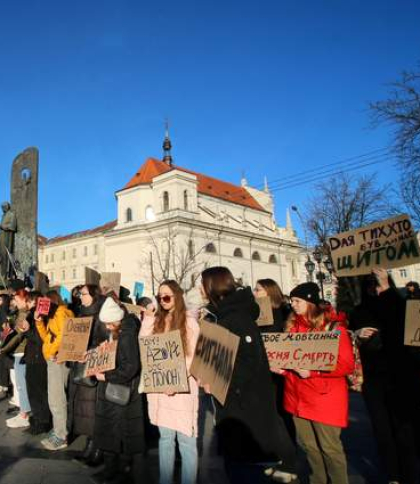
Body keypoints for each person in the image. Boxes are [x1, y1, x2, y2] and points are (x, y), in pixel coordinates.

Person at [200, 267, 298, 484]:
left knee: (243, 470)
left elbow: (248, 363)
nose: (200, 289)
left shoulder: (237, 318)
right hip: (230, 406)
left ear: (213, 287)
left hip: (244, 408)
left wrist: (218, 381)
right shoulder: (219, 316)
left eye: (203, 284)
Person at [277, 282, 354, 484]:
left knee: (330, 449)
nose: (292, 304)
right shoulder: (292, 326)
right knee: (309, 447)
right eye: (292, 300)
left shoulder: (333, 327)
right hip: (297, 397)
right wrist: (283, 368)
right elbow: (291, 359)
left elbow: (346, 365)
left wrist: (313, 371)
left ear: (310, 301)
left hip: (323, 399)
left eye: (297, 300)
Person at [350, 268, 420, 484]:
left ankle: (409, 475)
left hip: (401, 375)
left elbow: (404, 321)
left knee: (404, 431)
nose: (375, 288)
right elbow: (349, 335)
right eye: (371, 284)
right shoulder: (360, 310)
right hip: (373, 379)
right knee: (382, 432)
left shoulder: (402, 304)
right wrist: (356, 334)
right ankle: (392, 475)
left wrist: (387, 289)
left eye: (378, 283)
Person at [140, 280, 200, 484]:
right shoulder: (157, 321)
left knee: (186, 441)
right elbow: (145, 346)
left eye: (166, 296)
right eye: (159, 297)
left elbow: (191, 357)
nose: (163, 301)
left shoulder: (189, 322)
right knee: (165, 439)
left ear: (177, 296)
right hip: (160, 390)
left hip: (181, 390)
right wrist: (148, 319)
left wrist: (175, 381)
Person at [93, 297, 146, 484]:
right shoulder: (121, 331)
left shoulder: (127, 334)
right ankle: (114, 470)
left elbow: (130, 367)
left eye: (109, 323)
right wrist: (104, 350)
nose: (107, 327)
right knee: (115, 431)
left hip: (122, 390)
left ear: (117, 319)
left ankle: (118, 471)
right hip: (119, 389)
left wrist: (106, 376)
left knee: (119, 433)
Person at [68, 284, 106, 466]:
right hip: (79, 366)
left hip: (92, 369)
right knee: (84, 411)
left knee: (92, 411)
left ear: (93, 295)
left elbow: (105, 342)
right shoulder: (81, 313)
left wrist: (89, 351)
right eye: (79, 294)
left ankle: (97, 450)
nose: (80, 297)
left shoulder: (101, 315)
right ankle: (89, 447)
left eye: (83, 294)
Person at [36, 290, 74, 450]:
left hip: (58, 360)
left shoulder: (61, 313)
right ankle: (58, 430)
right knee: (54, 398)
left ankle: (61, 435)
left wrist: (51, 352)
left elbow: (64, 335)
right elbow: (48, 338)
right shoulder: (54, 315)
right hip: (53, 359)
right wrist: (39, 323)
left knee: (56, 399)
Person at [18, 291, 52, 434]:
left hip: (37, 358)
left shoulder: (37, 314)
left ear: (33, 301)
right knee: (37, 392)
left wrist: (25, 330)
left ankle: (42, 422)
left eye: (28, 301)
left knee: (37, 392)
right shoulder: (33, 314)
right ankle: (39, 420)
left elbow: (38, 338)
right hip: (35, 357)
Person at [5, 289, 31, 429]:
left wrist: (3, 349)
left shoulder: (24, 314)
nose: (15, 302)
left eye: (17, 299)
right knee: (20, 385)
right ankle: (23, 412)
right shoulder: (21, 313)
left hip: (21, 352)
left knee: (22, 385)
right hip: (18, 352)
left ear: (24, 299)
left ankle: (24, 415)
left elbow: (17, 336)